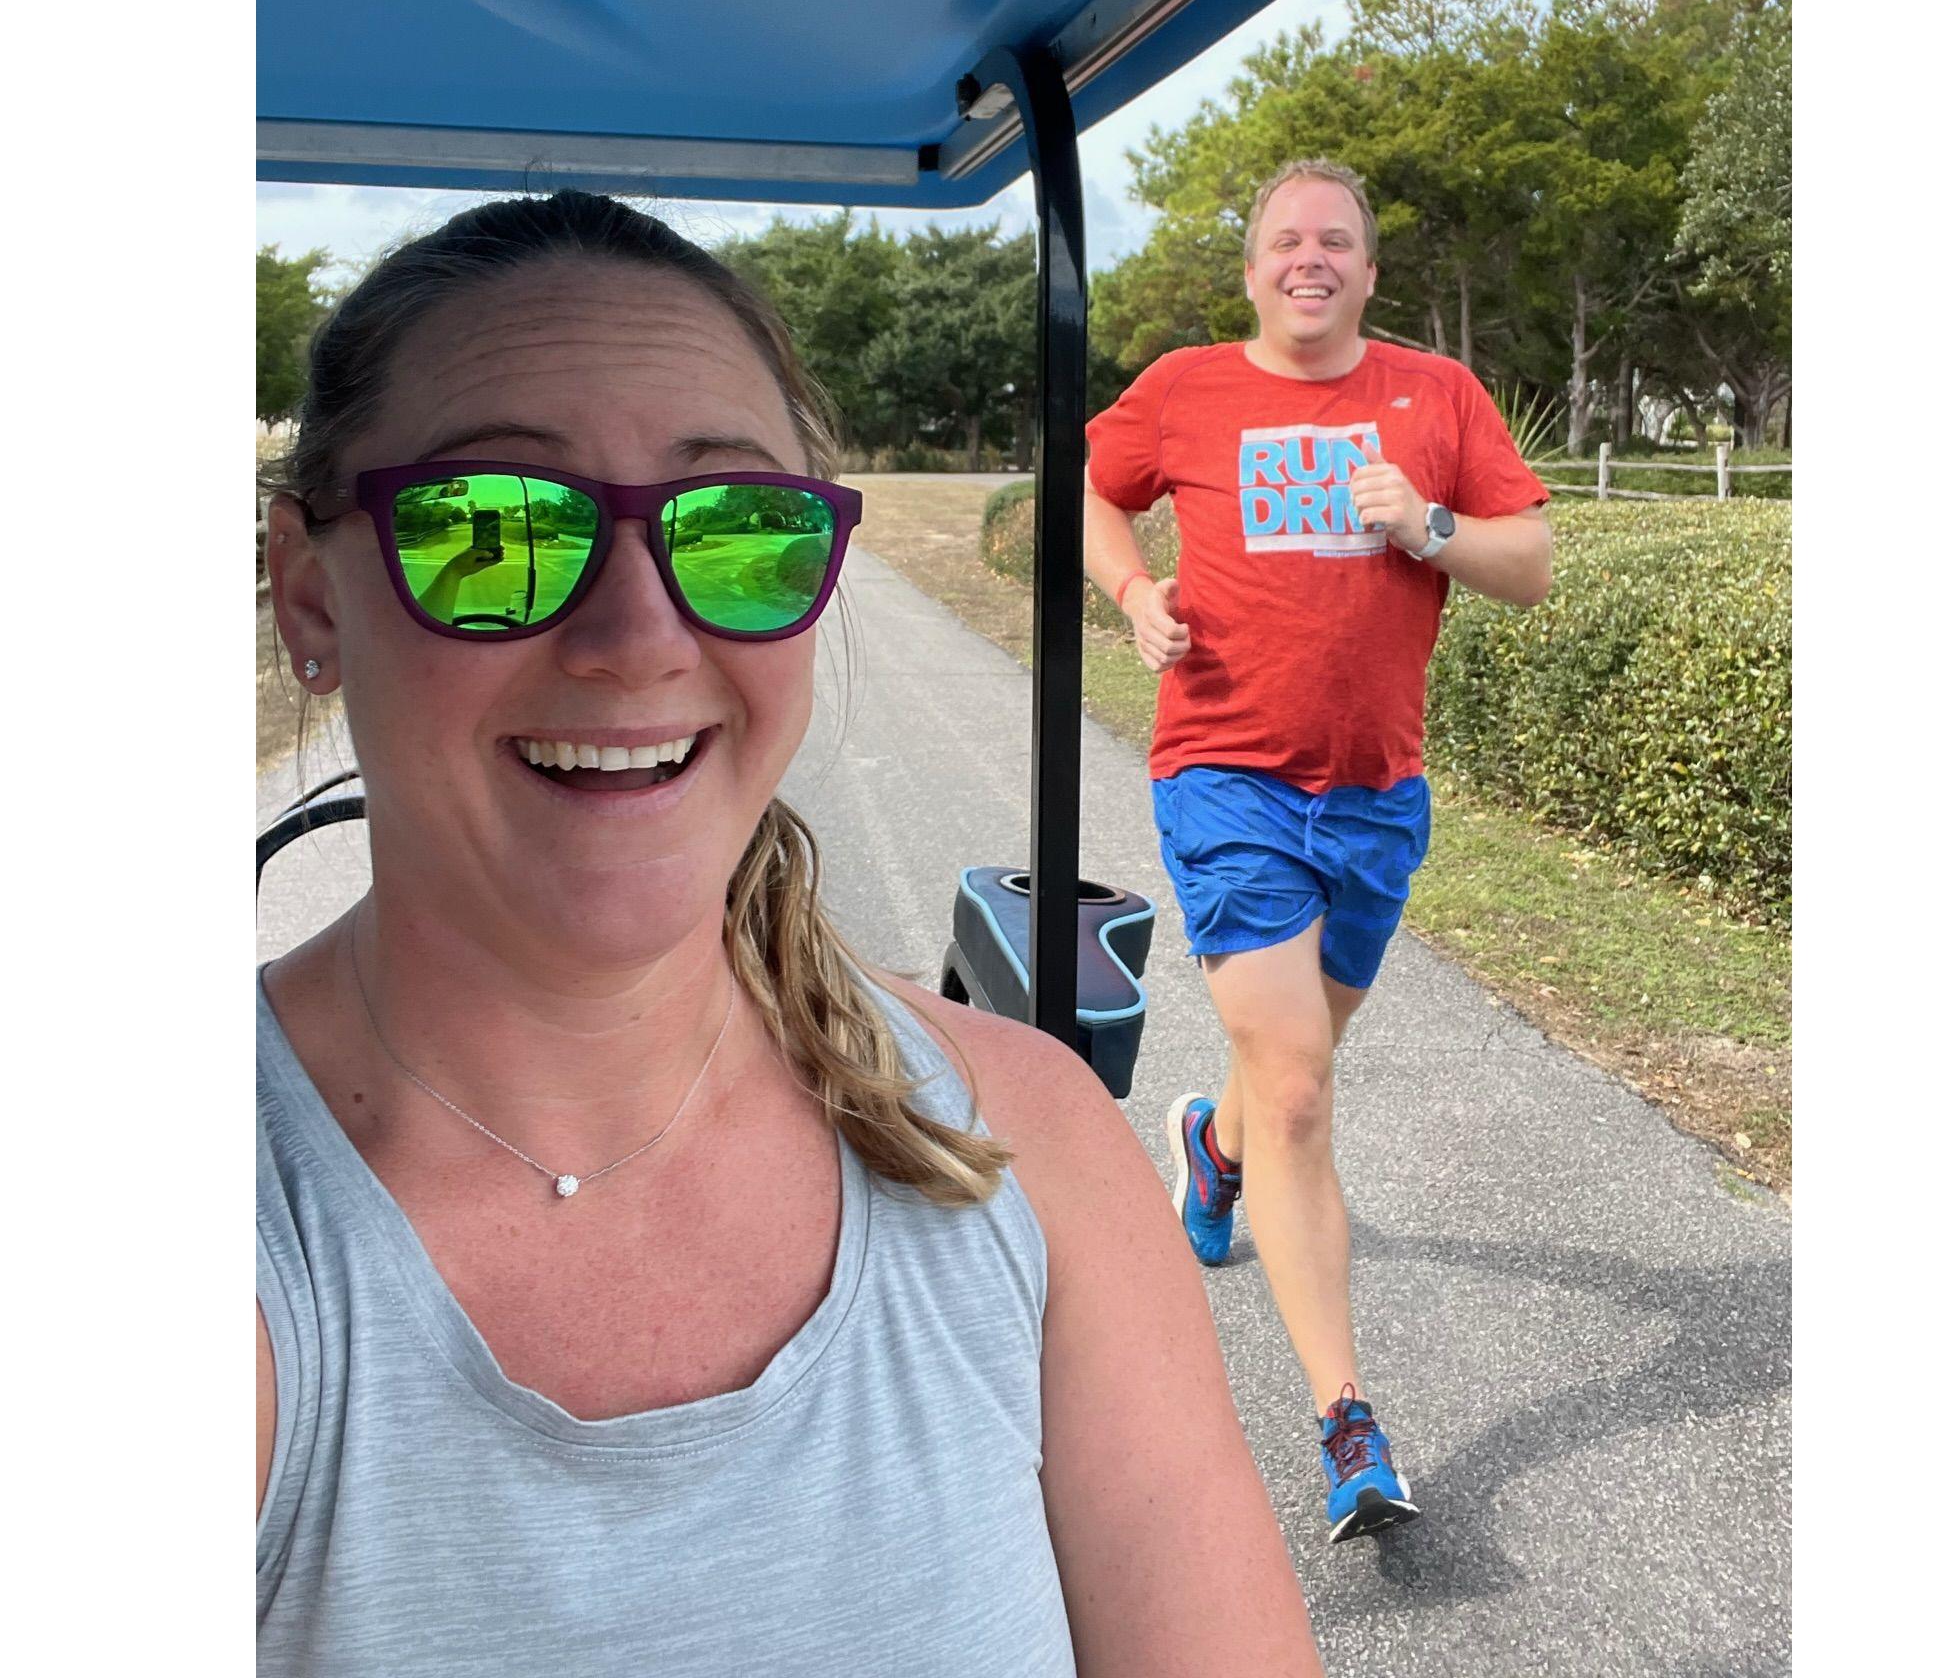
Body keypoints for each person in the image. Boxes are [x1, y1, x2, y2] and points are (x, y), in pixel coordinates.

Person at [258, 192, 1323, 1676]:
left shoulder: (1028, 1138)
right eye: (492, 529)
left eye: (741, 529)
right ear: (310, 590)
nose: (639, 636)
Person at [1082, 158, 1552, 1545]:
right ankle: (1348, 1421)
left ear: (1366, 270)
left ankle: (1207, 1146)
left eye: (1334, 241)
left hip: (1373, 798)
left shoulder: (1434, 397)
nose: (1309, 259)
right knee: (1295, 1083)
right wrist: (1133, 590)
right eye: (1286, 240)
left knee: (1294, 1066)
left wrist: (1431, 525)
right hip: (1222, 774)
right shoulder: (1181, 390)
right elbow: (1096, 495)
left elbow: (1529, 562)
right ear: (1251, 270)